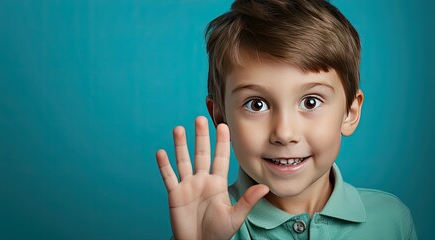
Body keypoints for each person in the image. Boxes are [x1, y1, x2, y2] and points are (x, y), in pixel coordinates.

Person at [155, 0, 417, 239]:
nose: (284, 132)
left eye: (310, 102)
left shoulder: (391, 220)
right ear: (221, 118)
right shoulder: (208, 227)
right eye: (256, 105)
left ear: (349, 113)